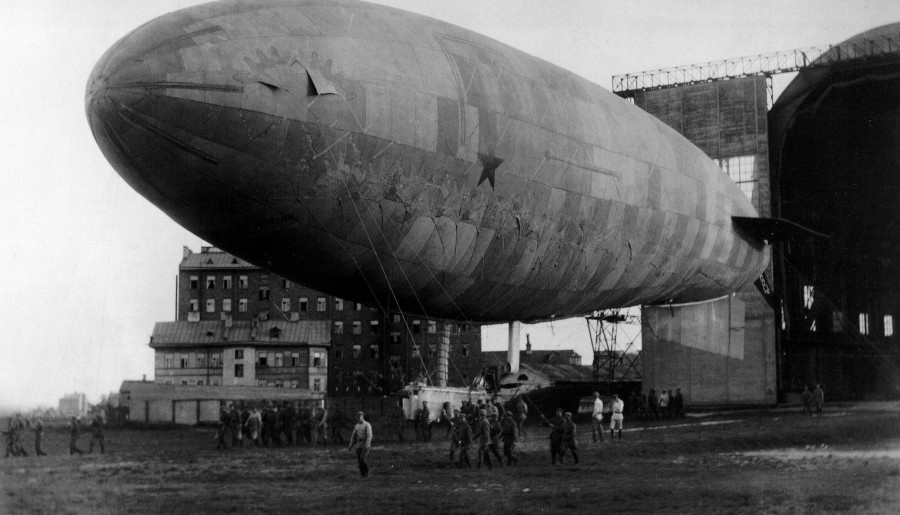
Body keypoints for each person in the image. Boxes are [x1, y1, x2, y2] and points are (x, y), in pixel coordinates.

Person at [348, 411, 373, 478]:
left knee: (362, 459)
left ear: (363, 416)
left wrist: (367, 445)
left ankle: (367, 472)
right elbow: (353, 437)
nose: (359, 418)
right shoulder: (356, 426)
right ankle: (363, 475)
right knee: (359, 461)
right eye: (357, 417)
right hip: (358, 445)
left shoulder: (367, 425)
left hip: (365, 445)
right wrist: (350, 445)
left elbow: (369, 436)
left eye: (360, 416)